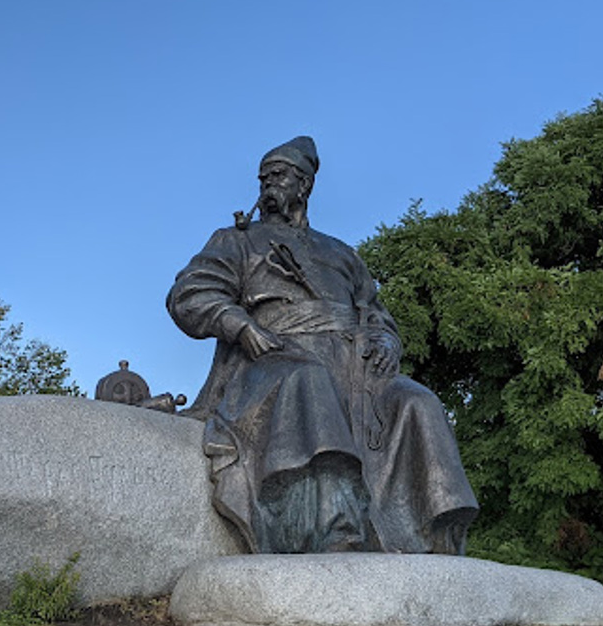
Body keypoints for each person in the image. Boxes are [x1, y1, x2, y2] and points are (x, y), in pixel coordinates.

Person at [167, 136, 478, 555]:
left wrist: (385, 339)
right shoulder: (236, 239)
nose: (267, 186)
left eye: (277, 176)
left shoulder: (342, 253)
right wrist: (240, 326)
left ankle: (437, 536)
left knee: (418, 402)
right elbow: (190, 293)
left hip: (355, 366)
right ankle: (334, 531)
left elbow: (374, 310)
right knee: (308, 380)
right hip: (272, 357)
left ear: (304, 184)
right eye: (263, 178)